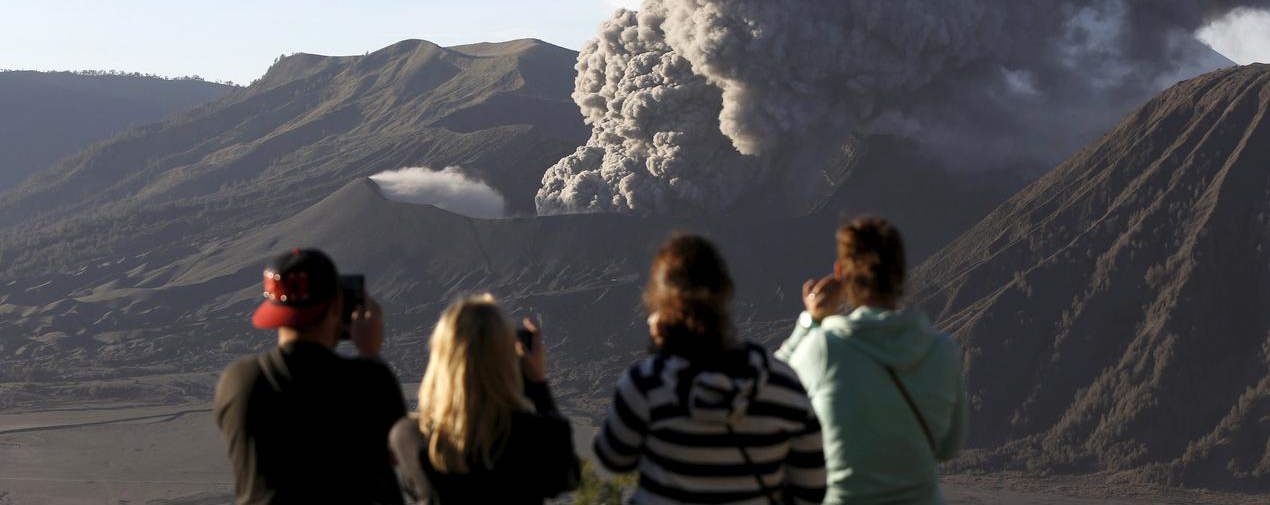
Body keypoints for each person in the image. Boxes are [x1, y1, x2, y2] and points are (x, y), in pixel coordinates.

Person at [594, 234, 827, 505]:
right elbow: (812, 490)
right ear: (726, 292)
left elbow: (613, 458)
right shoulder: (782, 384)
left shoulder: (646, 384)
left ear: (657, 301)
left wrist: (660, 354)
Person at [776, 217, 967, 505]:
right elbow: (949, 447)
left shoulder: (825, 349)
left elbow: (770, 383)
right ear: (902, 276)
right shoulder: (943, 351)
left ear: (841, 273)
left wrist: (811, 320)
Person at [214, 248, 406, 505]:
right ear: (337, 303)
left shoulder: (237, 380)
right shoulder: (366, 381)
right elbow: (397, 453)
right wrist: (370, 354)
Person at [387, 294, 580, 504]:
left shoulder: (408, 438)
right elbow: (568, 477)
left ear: (441, 358)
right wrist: (538, 384)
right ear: (505, 360)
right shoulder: (536, 437)